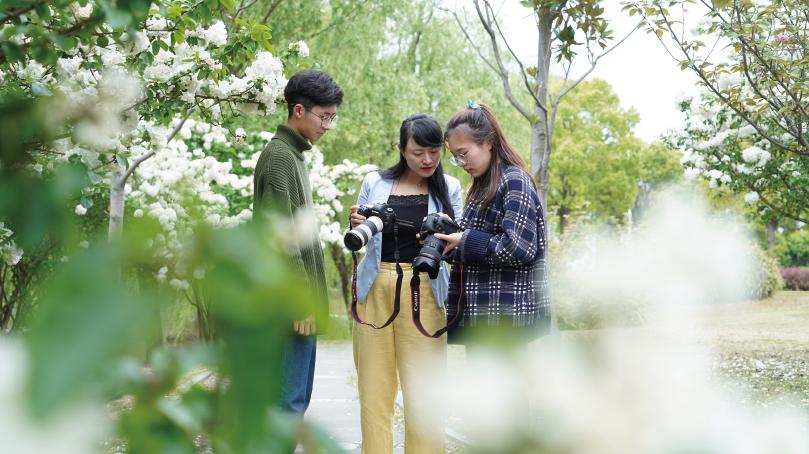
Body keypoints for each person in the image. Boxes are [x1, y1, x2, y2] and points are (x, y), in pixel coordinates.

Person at [349, 113, 463, 453]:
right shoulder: (375, 182)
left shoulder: (450, 188)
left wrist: (446, 238)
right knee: (374, 392)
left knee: (425, 396)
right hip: (375, 288)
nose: (427, 160)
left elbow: (455, 247)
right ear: (402, 150)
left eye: (433, 151)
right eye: (417, 152)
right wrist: (355, 221)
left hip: (425, 290)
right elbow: (361, 236)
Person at [252, 69, 343, 415]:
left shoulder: (293, 156)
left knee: (294, 402)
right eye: (324, 117)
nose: (327, 126)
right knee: (286, 405)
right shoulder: (279, 158)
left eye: (332, 118)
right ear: (299, 110)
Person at [435, 101, 551, 346]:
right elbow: (471, 250)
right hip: (484, 318)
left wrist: (464, 239)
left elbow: (519, 247)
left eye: (464, 153)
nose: (461, 163)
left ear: (488, 142)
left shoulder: (514, 180)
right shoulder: (480, 187)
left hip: (508, 321)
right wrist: (448, 237)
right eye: (455, 157)